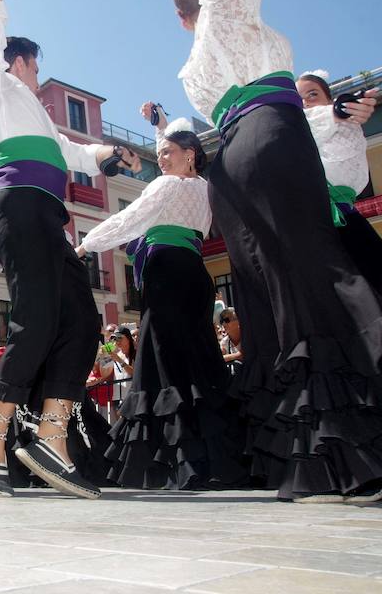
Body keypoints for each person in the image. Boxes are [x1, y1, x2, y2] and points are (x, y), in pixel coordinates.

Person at [174, 0, 382, 502]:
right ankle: (349, 446)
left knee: (278, 297)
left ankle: (316, 458)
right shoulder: (227, 16)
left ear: (180, 20)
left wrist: (335, 116)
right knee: (313, 279)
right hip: (271, 139)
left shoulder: (198, 63)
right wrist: (332, 114)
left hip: (241, 157)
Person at [0, 0, 141, 499]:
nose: (39, 75)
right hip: (17, 205)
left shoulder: (37, 115)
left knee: (84, 322)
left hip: (49, 216)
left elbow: (74, 151)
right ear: (17, 61)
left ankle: (51, 434)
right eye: (35, 65)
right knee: (36, 320)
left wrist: (112, 153)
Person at [78, 114, 245, 489]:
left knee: (163, 360)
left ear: (191, 154)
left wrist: (86, 245)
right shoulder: (207, 189)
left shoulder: (166, 185)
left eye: (168, 153)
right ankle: (212, 459)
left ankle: (174, 463)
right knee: (197, 358)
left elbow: (130, 218)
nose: (162, 159)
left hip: (167, 272)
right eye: (161, 153)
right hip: (194, 273)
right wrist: (162, 129)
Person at [296, 71, 382, 297]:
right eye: (298, 100)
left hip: (345, 227)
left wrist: (342, 109)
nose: (305, 103)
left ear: (329, 100)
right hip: (305, 234)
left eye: (312, 94)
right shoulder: (289, 135)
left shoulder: (347, 128)